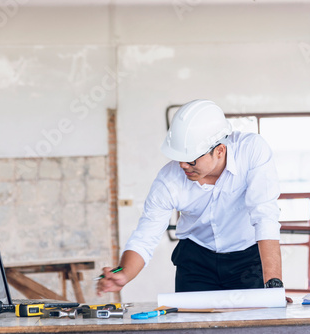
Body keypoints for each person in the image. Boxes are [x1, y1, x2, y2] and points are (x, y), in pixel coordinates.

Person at [97, 99, 283, 296]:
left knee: (251, 324)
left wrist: (274, 285)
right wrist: (124, 274)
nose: (183, 165)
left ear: (219, 150)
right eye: (179, 158)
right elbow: (145, 237)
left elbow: (265, 216)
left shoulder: (252, 151)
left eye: (191, 159)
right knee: (193, 325)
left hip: (247, 259)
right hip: (196, 261)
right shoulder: (168, 180)